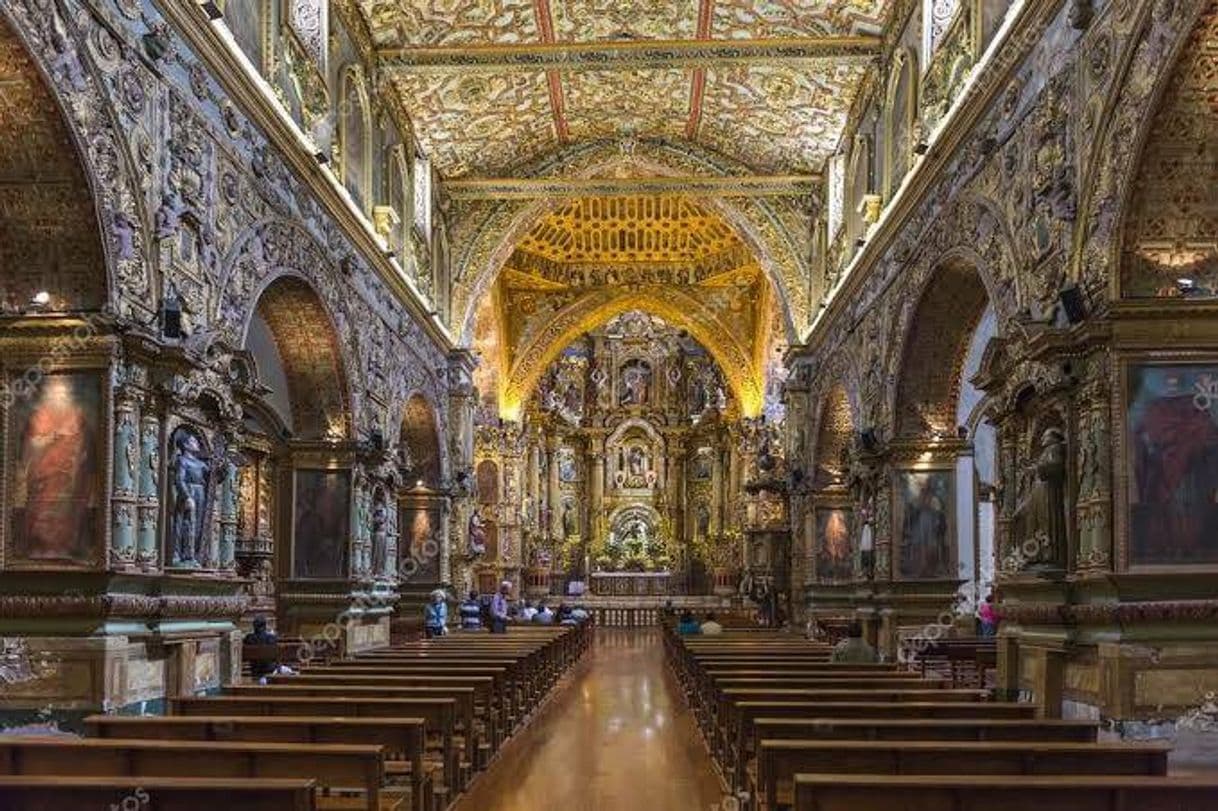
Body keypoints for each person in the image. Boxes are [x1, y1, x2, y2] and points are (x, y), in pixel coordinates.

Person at [243, 616, 287, 684]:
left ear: (254, 626)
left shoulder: (248, 638)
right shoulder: (271, 638)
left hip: (255, 670)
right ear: (265, 626)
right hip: (270, 669)